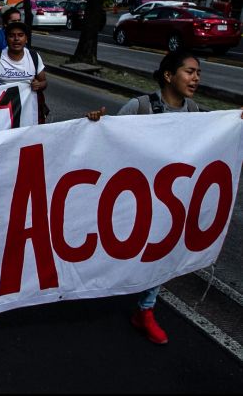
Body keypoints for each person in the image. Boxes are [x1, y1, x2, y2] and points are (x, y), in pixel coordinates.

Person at [84, 50, 211, 345]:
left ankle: (146, 310)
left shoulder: (195, 113)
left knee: (159, 254)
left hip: (169, 204)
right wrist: (96, 124)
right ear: (169, 76)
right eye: (189, 71)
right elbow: (110, 141)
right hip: (133, 199)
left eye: (198, 73)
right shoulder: (140, 107)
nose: (195, 78)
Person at [0, 21, 48, 122]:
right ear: (6, 39)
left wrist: (39, 85)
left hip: (28, 114)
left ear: (26, 39)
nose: (16, 39)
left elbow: (44, 81)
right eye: (12, 36)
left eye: (20, 35)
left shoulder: (34, 57)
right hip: (1, 117)